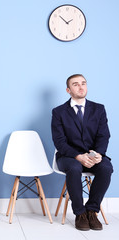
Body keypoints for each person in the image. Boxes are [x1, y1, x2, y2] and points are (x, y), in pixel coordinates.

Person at [51, 74, 113, 231]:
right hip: (68, 156)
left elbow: (103, 135)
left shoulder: (99, 109)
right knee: (74, 168)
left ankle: (92, 211)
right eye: (76, 84)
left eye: (83, 83)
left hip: (92, 155)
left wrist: (97, 154)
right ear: (68, 90)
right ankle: (80, 213)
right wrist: (78, 156)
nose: (81, 87)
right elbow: (59, 142)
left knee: (106, 167)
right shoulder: (59, 112)